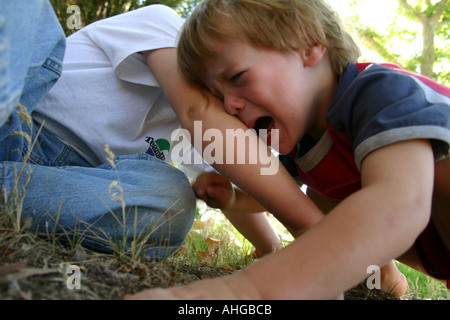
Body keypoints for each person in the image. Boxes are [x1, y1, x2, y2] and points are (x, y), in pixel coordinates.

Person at [128, 0, 450, 299]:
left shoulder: (379, 93)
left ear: (309, 44)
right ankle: (380, 281)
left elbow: (399, 204)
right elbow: (282, 193)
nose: (229, 105)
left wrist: (245, 292)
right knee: (318, 197)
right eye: (217, 94)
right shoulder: (301, 147)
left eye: (237, 77)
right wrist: (235, 199)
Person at [0, 2, 210, 260]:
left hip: (73, 183)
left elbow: (240, 186)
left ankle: (10, 191)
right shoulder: (167, 27)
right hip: (18, 119)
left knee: (173, 201)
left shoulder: (203, 138)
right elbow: (195, 109)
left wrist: (269, 249)